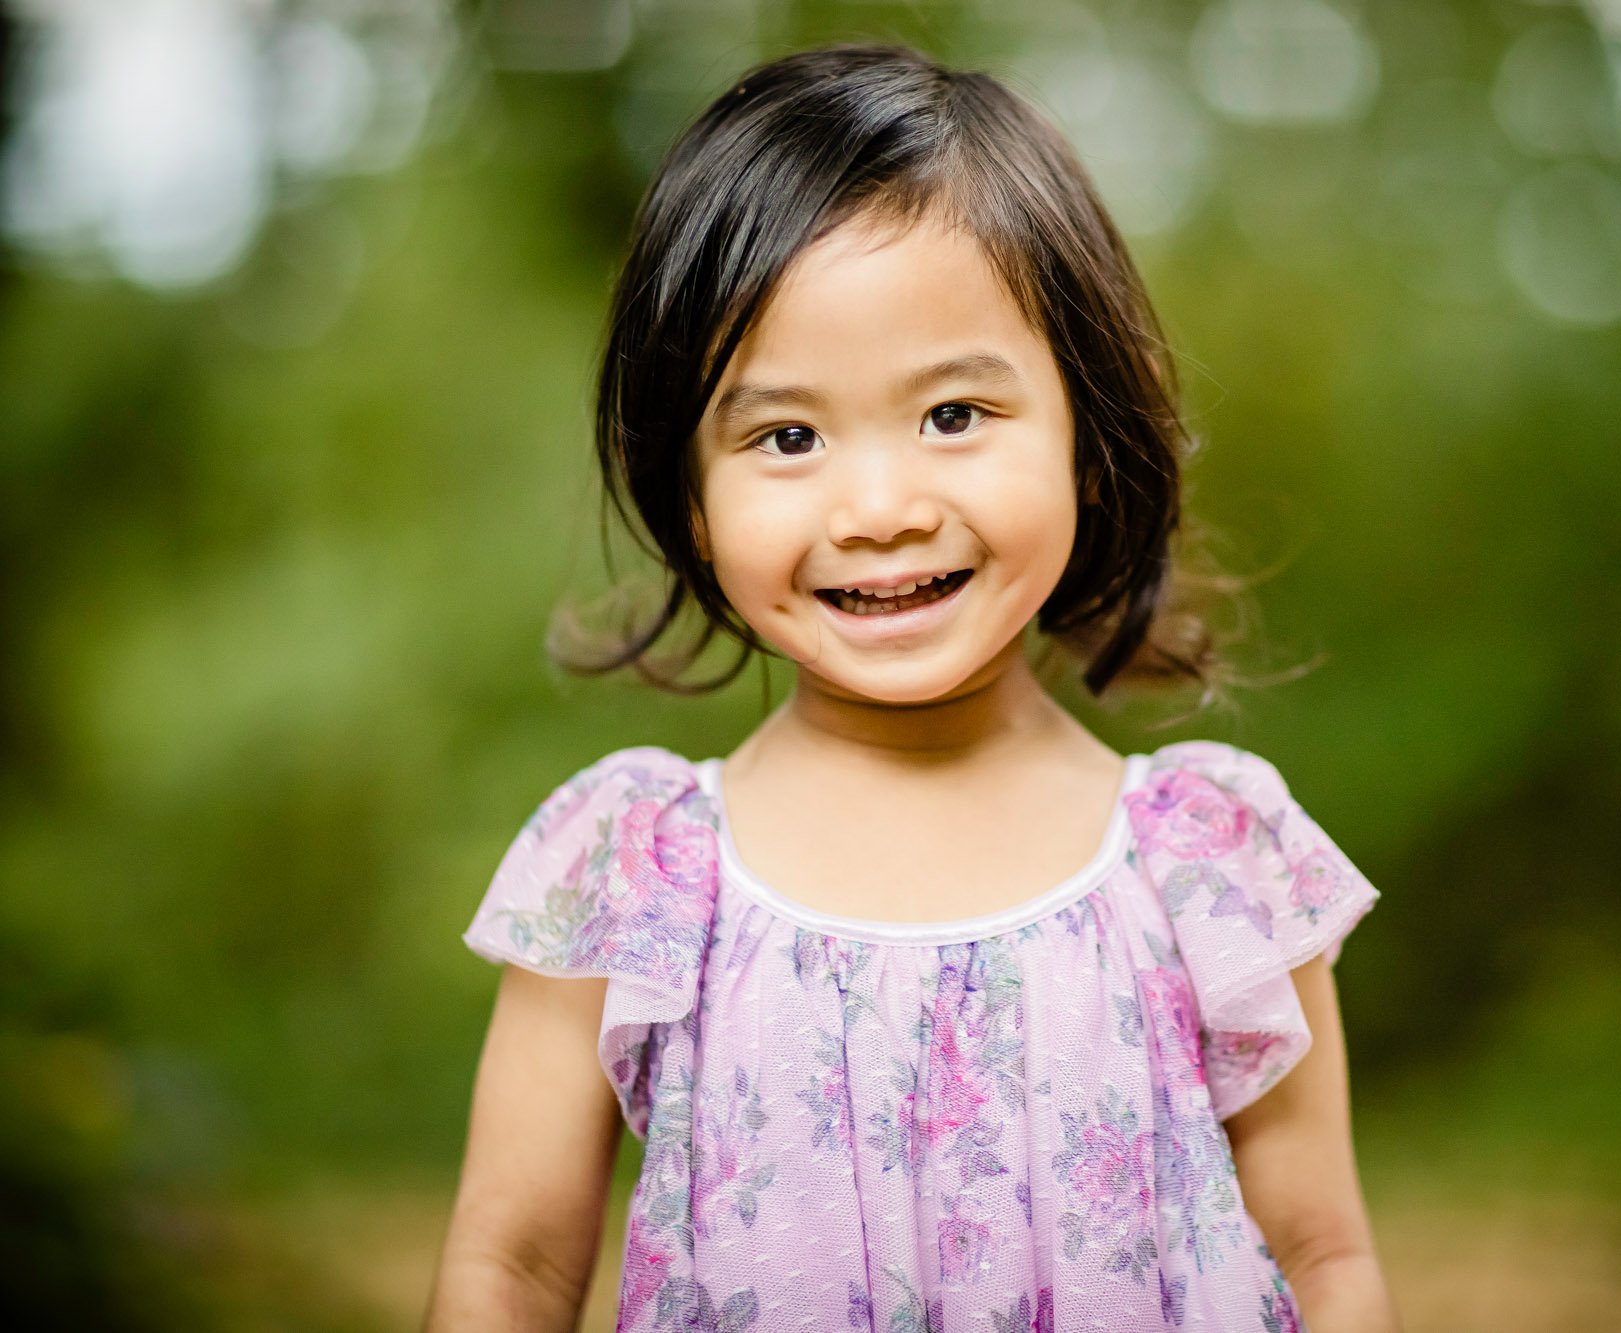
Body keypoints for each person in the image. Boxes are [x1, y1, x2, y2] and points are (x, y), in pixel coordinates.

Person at [425, 44, 1396, 1333]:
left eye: (952, 415)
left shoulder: (1206, 866)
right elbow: (513, 1272)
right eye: (787, 438)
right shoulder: (635, 874)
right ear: (693, 502)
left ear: (1090, 439)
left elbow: (1322, 1259)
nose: (879, 510)